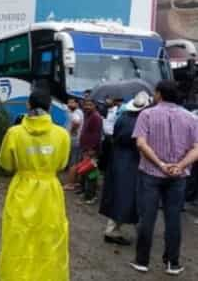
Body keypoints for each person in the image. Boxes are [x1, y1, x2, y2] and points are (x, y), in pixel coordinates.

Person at [0, 89, 71, 281]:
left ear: (28, 105)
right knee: (49, 238)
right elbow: (62, 164)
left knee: (18, 237)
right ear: (49, 107)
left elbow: (5, 163)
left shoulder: (14, 133)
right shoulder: (62, 134)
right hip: (50, 193)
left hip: (22, 190)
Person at [131, 80, 198, 275]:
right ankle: (173, 263)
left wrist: (160, 164)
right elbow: (196, 148)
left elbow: (141, 144)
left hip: (150, 174)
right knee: (173, 219)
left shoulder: (147, 114)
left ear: (159, 94)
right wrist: (180, 165)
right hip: (178, 176)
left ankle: (142, 261)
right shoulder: (191, 118)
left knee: (147, 217)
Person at [99, 91, 150, 246]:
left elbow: (115, 135)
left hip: (118, 158)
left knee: (118, 195)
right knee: (128, 197)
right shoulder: (141, 122)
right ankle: (119, 230)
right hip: (131, 161)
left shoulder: (122, 118)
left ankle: (113, 228)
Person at [77, 97, 103, 204]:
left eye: (90, 105)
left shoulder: (96, 117)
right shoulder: (88, 115)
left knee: (91, 174)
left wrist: (91, 149)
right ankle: (85, 192)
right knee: (85, 172)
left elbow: (97, 135)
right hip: (85, 149)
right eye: (86, 104)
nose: (87, 107)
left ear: (94, 106)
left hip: (92, 150)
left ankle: (91, 196)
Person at [63, 97, 84, 191]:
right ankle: (75, 181)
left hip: (75, 140)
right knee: (76, 161)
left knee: (73, 162)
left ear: (77, 104)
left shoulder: (76, 113)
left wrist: (71, 132)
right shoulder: (75, 112)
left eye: (72, 102)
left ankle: (70, 183)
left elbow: (76, 122)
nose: (69, 104)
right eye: (68, 102)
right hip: (76, 140)